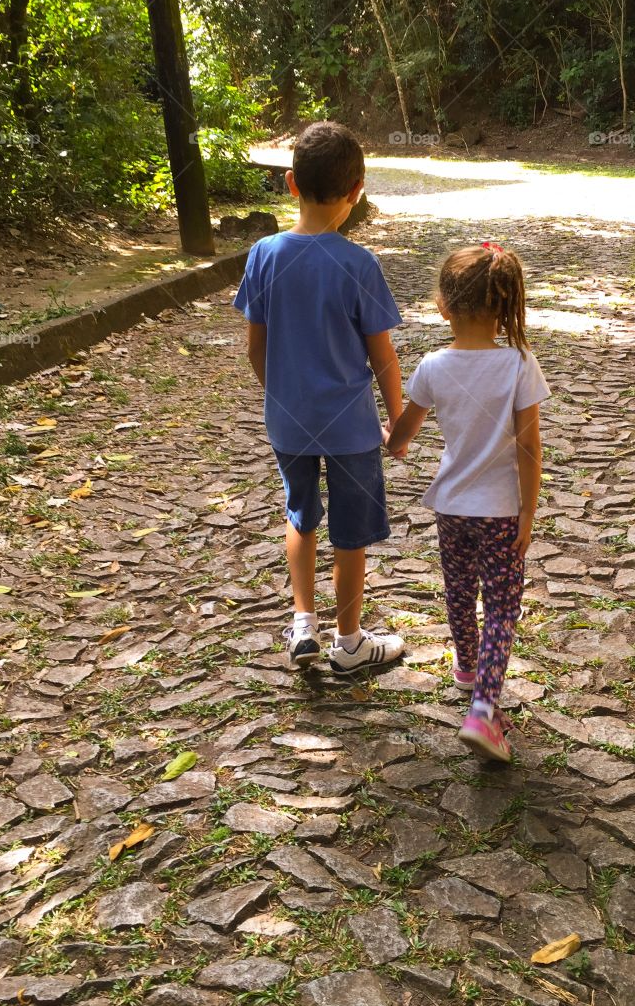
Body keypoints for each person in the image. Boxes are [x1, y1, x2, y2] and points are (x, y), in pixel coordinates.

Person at [234, 121, 405, 673]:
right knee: (350, 533)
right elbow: (382, 357)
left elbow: (256, 348)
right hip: (350, 427)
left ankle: (302, 623)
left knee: (300, 514)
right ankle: (350, 640)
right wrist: (398, 420)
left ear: (290, 183)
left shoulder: (263, 254)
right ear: (357, 191)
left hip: (288, 421)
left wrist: (280, 396)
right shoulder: (359, 264)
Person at [385, 242, 549, 762]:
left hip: (452, 505)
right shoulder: (519, 363)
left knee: (459, 589)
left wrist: (387, 436)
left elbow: (401, 437)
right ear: (504, 306)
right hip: (500, 510)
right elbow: (529, 449)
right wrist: (528, 510)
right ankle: (483, 709)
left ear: (443, 306)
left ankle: (466, 668)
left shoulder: (433, 365)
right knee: (502, 606)